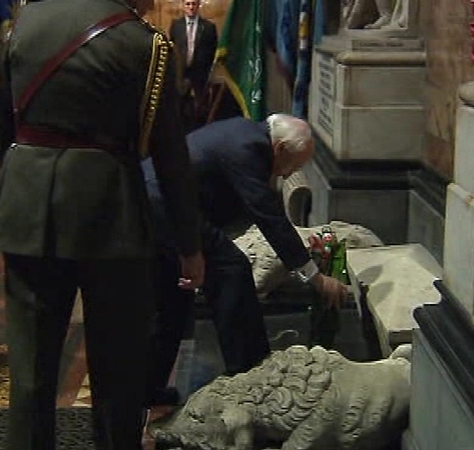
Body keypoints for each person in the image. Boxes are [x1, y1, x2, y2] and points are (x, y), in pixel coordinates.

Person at [0, 0, 205, 448]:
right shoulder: (144, 42)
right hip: (109, 211)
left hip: (27, 202)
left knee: (30, 368)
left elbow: (2, 122)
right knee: (118, 366)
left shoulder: (24, 23)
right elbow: (170, 155)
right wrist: (189, 244)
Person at [145, 114, 349, 405]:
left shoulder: (245, 134)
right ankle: (252, 376)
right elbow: (268, 216)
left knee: (175, 297)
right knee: (231, 270)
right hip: (166, 209)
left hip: (157, 204)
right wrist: (314, 276)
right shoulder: (249, 150)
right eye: (294, 165)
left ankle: (149, 388)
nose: (288, 175)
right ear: (279, 149)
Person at [168, 0, 216, 131]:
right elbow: (171, 50)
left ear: (198, 5)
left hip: (200, 75)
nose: (191, 7)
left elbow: (213, 53)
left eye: (194, 4)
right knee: (180, 109)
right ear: (183, 6)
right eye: (188, 4)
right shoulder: (176, 26)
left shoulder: (209, 27)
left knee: (200, 111)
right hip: (180, 75)